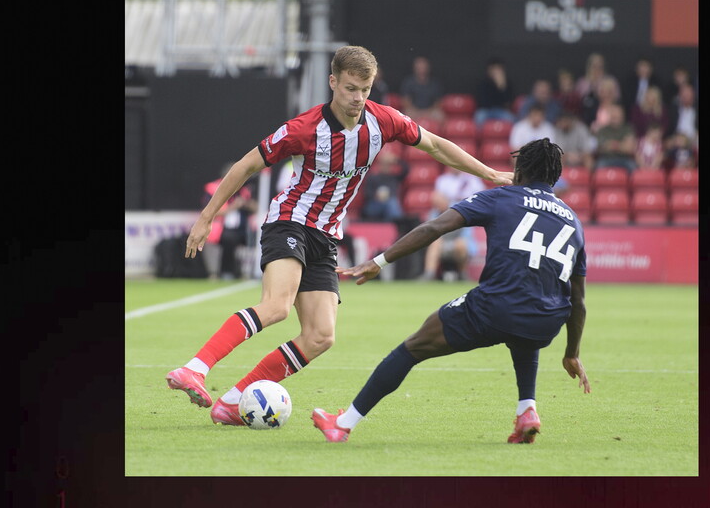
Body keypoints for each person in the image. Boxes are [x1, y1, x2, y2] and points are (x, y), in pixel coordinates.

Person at [166, 45, 513, 425]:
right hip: (290, 222)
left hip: (326, 236)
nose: (358, 98)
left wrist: (490, 173)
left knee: (320, 336)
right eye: (350, 88)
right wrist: (207, 218)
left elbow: (434, 144)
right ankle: (195, 369)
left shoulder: (383, 120)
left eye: (365, 89)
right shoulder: (304, 128)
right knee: (277, 306)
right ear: (333, 82)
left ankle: (232, 402)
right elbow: (247, 165)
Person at [312, 138, 591, 443]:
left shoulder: (501, 197)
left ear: (519, 171)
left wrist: (379, 261)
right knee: (524, 326)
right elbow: (578, 300)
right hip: (547, 321)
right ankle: (527, 410)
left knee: (413, 346)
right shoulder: (573, 221)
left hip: (496, 308)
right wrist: (572, 353)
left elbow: (435, 227)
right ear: (554, 177)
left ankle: (343, 424)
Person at [419, 165, 486, 281]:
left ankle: (463, 274)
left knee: (461, 243)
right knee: (435, 243)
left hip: (461, 236)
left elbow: (482, 200)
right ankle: (429, 274)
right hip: (442, 240)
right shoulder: (434, 212)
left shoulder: (472, 182)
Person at [201, 163, 258, 280]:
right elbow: (208, 211)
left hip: (242, 228)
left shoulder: (244, 190)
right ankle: (226, 272)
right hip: (220, 229)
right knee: (229, 238)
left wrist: (246, 204)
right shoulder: (213, 188)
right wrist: (233, 207)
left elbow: (256, 208)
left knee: (255, 237)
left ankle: (249, 272)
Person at [360, 147, 408, 222]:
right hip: (375, 204)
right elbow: (366, 192)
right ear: (379, 165)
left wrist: (396, 160)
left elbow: (406, 170)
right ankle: (397, 222)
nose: (386, 167)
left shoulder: (394, 177)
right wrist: (376, 196)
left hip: (390, 204)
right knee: (390, 203)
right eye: (383, 164)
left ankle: (397, 223)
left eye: (388, 165)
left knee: (391, 203)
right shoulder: (373, 177)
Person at [593, 104, 638, 173]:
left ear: (622, 115)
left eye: (617, 113)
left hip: (625, 159)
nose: (615, 115)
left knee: (634, 168)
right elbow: (600, 148)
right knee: (598, 167)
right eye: (613, 113)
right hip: (606, 158)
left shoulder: (628, 129)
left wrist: (612, 145)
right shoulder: (602, 130)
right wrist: (621, 145)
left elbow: (629, 148)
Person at [473, 57, 516, 127]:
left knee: (511, 119)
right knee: (479, 117)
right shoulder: (483, 83)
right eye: (493, 69)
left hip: (500, 110)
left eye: (498, 69)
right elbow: (481, 101)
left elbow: (508, 103)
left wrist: (502, 88)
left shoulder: (507, 84)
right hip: (486, 110)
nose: (496, 72)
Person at [400, 55, 445, 123]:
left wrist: (427, 112)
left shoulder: (434, 83)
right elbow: (405, 102)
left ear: (428, 68)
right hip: (414, 111)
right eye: (419, 67)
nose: (421, 70)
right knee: (405, 115)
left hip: (430, 111)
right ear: (415, 68)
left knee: (440, 115)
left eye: (423, 67)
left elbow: (438, 102)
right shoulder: (408, 82)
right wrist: (417, 112)